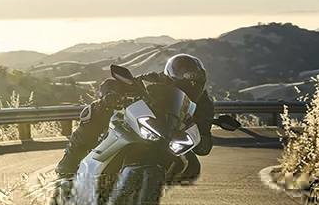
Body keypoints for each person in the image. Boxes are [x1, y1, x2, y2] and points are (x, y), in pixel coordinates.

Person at [55, 53, 215, 181]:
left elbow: (204, 139)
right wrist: (111, 94)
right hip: (145, 123)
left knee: (191, 167)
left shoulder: (204, 103)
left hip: (169, 138)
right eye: (185, 81)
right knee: (96, 111)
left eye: (195, 82)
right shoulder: (154, 80)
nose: (190, 86)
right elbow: (121, 83)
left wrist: (201, 139)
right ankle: (68, 162)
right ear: (171, 77)